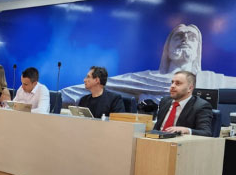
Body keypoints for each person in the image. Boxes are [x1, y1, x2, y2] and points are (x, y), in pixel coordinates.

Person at [64, 24, 236, 104]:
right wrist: (56, 97)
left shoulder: (210, 80)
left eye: (191, 37)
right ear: (167, 47)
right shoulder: (146, 78)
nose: (185, 40)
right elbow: (100, 87)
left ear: (198, 49)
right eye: (179, 36)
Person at [153, 71, 212, 136]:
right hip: (158, 140)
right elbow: (157, 127)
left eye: (178, 83)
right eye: (172, 82)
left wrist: (186, 130)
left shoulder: (201, 106)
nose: (172, 86)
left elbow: (206, 132)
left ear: (190, 88)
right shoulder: (165, 101)